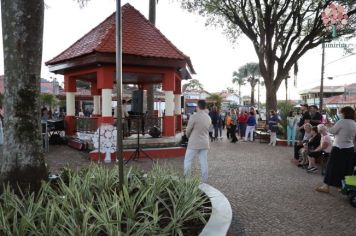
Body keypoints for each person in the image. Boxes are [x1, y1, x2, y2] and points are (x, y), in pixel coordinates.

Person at [316, 106, 356, 193]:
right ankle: (342, 186)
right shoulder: (354, 123)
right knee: (345, 168)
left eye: (342, 112)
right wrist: (330, 125)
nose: (341, 114)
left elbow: (332, 131)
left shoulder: (342, 121)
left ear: (345, 113)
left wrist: (326, 125)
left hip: (339, 148)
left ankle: (326, 186)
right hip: (349, 148)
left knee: (331, 167)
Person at [184, 100, 212, 182]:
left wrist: (188, 136)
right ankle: (204, 181)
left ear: (197, 107)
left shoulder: (194, 117)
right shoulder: (208, 117)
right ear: (205, 107)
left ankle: (187, 180)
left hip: (194, 142)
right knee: (204, 162)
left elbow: (188, 130)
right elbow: (209, 129)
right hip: (205, 142)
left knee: (188, 161)